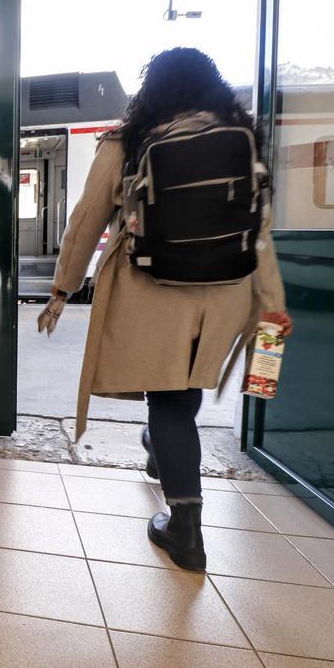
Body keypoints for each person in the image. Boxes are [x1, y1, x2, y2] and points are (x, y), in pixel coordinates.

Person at [40, 47, 292, 571]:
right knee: (185, 391)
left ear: (151, 89)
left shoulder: (128, 142)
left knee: (170, 401)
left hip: (156, 292)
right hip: (226, 295)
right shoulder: (242, 142)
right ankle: (160, 449)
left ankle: (186, 529)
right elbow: (260, 233)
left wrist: (63, 288)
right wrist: (274, 306)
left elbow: (87, 219)